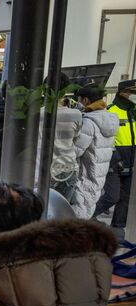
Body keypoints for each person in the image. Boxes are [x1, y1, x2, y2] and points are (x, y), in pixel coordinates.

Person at [92, 80, 136, 226]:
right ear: (122, 92)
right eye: (132, 92)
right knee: (112, 196)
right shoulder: (111, 111)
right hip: (115, 160)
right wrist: (115, 155)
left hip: (132, 159)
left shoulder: (134, 111)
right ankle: (86, 216)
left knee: (126, 198)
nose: (133, 95)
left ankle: (117, 228)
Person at [71, 85, 118, 220]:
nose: (78, 103)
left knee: (78, 213)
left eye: (79, 100)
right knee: (88, 207)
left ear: (85, 100)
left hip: (85, 173)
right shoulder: (110, 120)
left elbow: (76, 151)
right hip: (99, 174)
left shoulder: (89, 122)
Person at [44, 74, 83, 203]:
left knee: (41, 212)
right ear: (66, 91)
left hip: (43, 170)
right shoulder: (76, 115)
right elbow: (76, 138)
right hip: (67, 168)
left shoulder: (36, 113)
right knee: (62, 212)